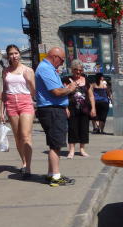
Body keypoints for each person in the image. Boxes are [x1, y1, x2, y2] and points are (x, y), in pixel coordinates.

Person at [35, 47, 78, 186]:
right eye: (62, 60)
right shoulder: (45, 68)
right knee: (56, 145)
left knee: (54, 143)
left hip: (53, 108)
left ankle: (51, 173)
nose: (62, 62)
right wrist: (70, 88)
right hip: (51, 110)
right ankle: (56, 176)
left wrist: (64, 106)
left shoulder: (47, 68)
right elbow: (56, 92)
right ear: (55, 57)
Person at [1, 44, 36, 178]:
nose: (14, 56)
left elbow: (33, 92)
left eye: (16, 53)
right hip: (10, 103)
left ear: (19, 54)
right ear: (8, 56)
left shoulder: (28, 70)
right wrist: (1, 110)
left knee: (25, 135)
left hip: (25, 101)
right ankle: (24, 162)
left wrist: (29, 81)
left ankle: (28, 167)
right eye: (11, 54)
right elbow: (4, 92)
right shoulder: (6, 71)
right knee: (17, 137)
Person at [63, 60, 95, 158]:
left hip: (84, 109)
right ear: (72, 70)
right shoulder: (67, 80)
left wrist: (93, 108)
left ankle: (82, 149)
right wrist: (66, 108)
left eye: (80, 70)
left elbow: (91, 96)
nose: (78, 72)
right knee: (72, 129)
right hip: (72, 108)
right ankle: (71, 150)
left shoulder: (86, 80)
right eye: (76, 70)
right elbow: (64, 95)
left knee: (84, 129)